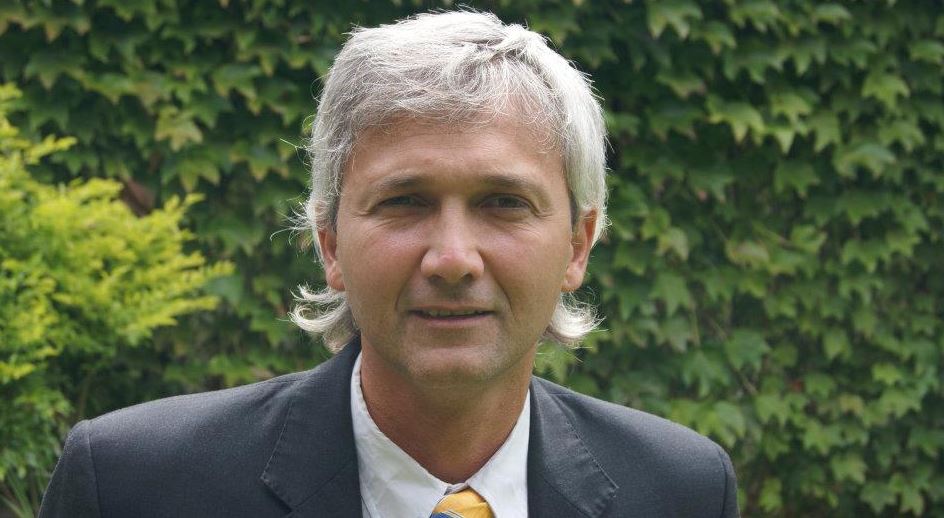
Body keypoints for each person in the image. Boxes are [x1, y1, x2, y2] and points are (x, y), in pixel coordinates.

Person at [39, 10, 738, 518]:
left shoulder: (682, 491)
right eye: (404, 202)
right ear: (330, 242)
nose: (453, 259)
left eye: (503, 203)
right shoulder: (132, 487)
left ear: (578, 245)